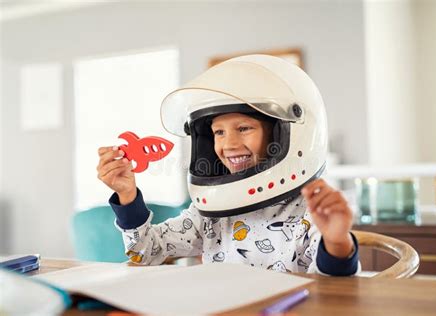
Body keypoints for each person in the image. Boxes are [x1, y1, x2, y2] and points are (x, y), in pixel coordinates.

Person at [97, 55, 359, 275]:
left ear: (285, 134)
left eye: (244, 128)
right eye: (218, 133)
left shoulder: (312, 213)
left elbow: (336, 292)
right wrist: (127, 196)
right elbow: (145, 252)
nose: (228, 144)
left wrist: (336, 241)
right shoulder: (211, 213)